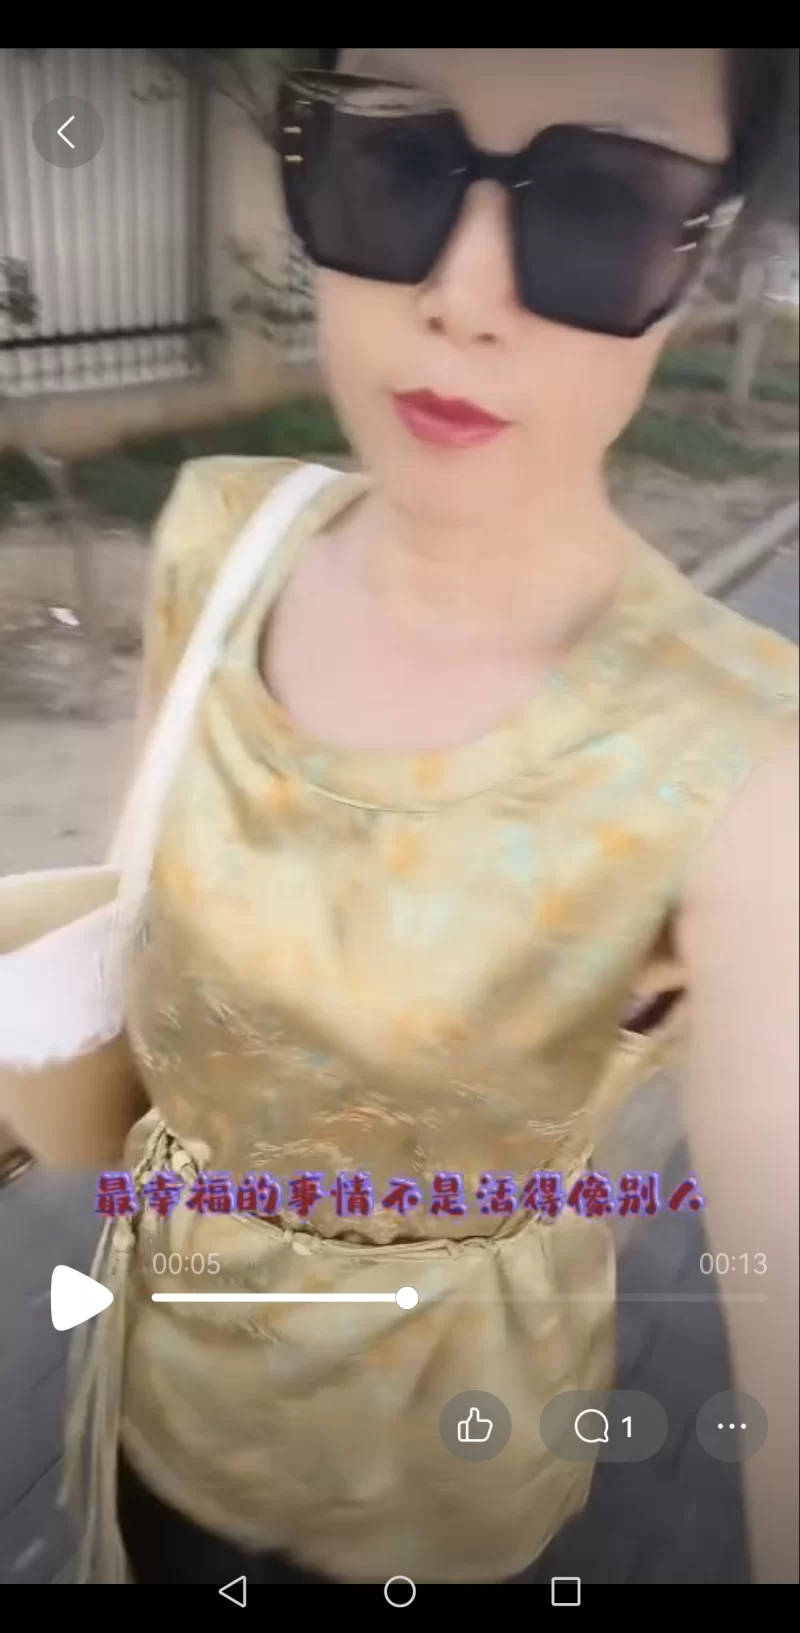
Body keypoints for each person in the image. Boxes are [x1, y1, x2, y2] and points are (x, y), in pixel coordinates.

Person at [65, 49, 798, 1586]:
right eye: (393, 161)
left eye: (598, 203)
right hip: (152, 1397)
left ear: (701, 254)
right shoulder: (221, 540)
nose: (464, 297)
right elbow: (125, 968)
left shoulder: (740, 756)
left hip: (444, 1498)